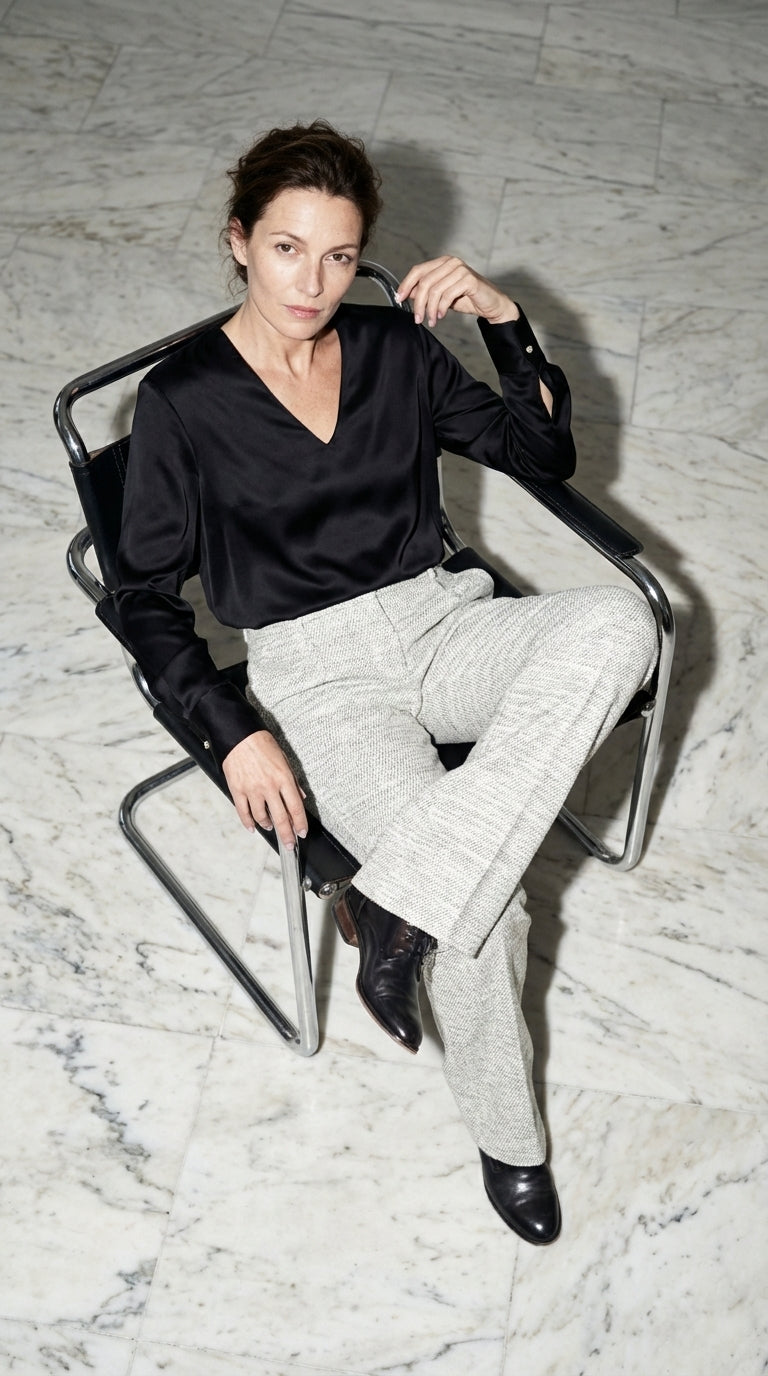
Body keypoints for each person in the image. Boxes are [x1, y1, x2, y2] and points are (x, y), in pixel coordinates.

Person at [108, 120, 658, 1246]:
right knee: (488, 915)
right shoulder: (181, 401)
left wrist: (502, 321)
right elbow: (144, 598)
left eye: (339, 256)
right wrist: (232, 731)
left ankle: (398, 898)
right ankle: (512, 1139)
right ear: (238, 241)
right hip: (318, 682)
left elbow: (542, 456)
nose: (311, 284)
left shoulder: (395, 349)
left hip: (442, 621)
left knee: (620, 623)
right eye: (285, 249)